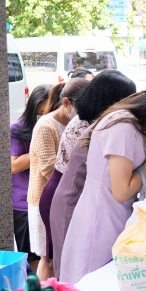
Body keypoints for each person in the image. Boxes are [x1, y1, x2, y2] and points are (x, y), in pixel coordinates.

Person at [59, 84, 146, 284]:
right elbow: (121, 191)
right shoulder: (123, 128)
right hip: (99, 224)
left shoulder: (137, 127)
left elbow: (140, 180)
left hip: (115, 219)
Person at [39, 71, 136, 279]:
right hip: (67, 194)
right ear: (113, 99)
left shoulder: (98, 121)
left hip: (70, 190)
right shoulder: (88, 124)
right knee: (67, 268)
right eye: (128, 98)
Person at [28, 79, 89, 268]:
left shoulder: (76, 123)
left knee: (59, 257)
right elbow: (48, 168)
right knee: (48, 260)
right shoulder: (46, 126)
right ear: (66, 103)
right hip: (44, 199)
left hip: (64, 196)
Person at [10, 84, 53, 270]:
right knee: (32, 259)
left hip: (47, 200)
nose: (44, 117)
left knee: (47, 256)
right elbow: (13, 165)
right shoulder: (17, 130)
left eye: (48, 112)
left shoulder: (54, 126)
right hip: (24, 204)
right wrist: (40, 145)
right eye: (40, 112)